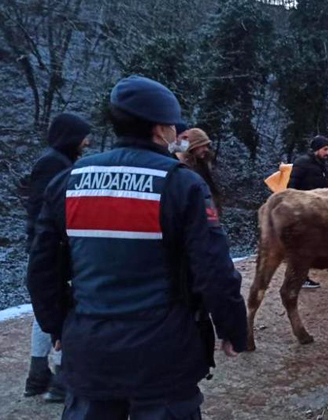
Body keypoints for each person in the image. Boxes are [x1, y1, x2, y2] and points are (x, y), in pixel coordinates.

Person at [26, 75, 248, 420]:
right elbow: (213, 268)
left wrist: (57, 325)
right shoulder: (180, 183)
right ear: (160, 128)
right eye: (174, 126)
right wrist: (232, 327)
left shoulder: (69, 181)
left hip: (89, 353)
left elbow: (42, 267)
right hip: (164, 358)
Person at [23, 113, 91, 403]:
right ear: (70, 136)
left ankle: (38, 376)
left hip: (50, 245)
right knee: (67, 306)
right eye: (83, 136)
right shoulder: (54, 164)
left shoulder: (56, 161)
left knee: (50, 307)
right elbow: (48, 209)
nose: (87, 142)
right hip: (55, 247)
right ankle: (61, 380)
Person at [285, 135, 328, 289]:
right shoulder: (302, 163)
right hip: (302, 211)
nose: (327, 153)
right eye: (325, 149)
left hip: (316, 212)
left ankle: (299, 277)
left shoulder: (325, 167)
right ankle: (298, 278)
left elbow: (326, 189)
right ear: (317, 149)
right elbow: (291, 187)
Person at [178, 128, 222, 215]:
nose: (206, 149)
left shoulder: (204, 166)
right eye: (202, 145)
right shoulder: (182, 169)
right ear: (193, 146)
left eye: (207, 146)